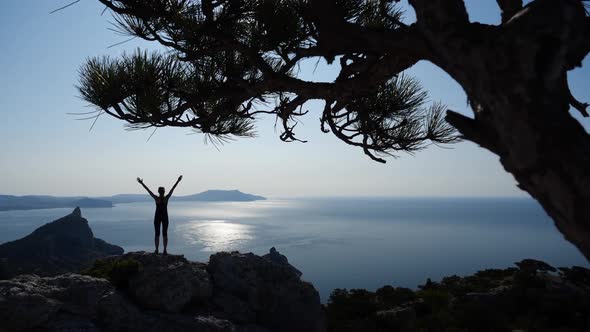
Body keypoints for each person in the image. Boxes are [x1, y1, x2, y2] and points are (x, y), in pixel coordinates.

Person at [136, 175, 183, 255]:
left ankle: (157, 250)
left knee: (157, 234)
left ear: (158, 191)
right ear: (164, 191)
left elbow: (148, 190)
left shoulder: (156, 198)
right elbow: (172, 189)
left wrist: (142, 183)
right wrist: (178, 181)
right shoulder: (166, 198)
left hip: (157, 217)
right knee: (165, 234)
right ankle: (165, 250)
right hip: (165, 217)